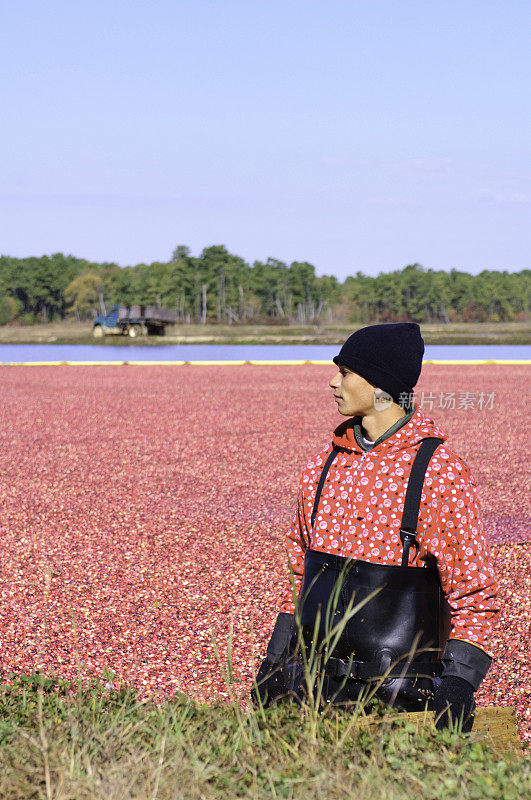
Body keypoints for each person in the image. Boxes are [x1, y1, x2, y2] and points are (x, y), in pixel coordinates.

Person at [252, 323, 500, 730]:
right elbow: (300, 573)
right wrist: (275, 660)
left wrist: (458, 684)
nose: (333, 381)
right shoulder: (324, 464)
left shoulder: (438, 474)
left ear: (382, 385)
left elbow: (475, 594)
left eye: (345, 372)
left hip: (398, 701)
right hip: (306, 690)